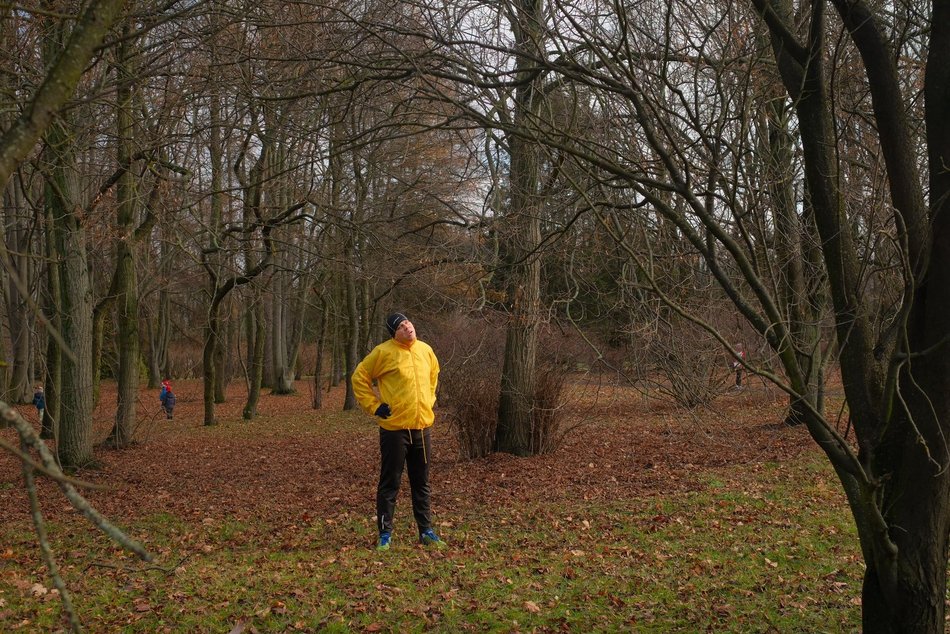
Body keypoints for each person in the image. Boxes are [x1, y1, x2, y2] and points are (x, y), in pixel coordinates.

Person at [352, 312, 444, 552]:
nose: (407, 327)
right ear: (395, 333)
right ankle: (385, 534)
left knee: (421, 482)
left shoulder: (425, 350)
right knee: (390, 483)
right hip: (395, 430)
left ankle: (426, 531)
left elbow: (434, 375)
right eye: (401, 326)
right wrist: (374, 406)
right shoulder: (383, 353)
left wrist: (429, 400)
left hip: (422, 427)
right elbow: (359, 377)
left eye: (408, 323)